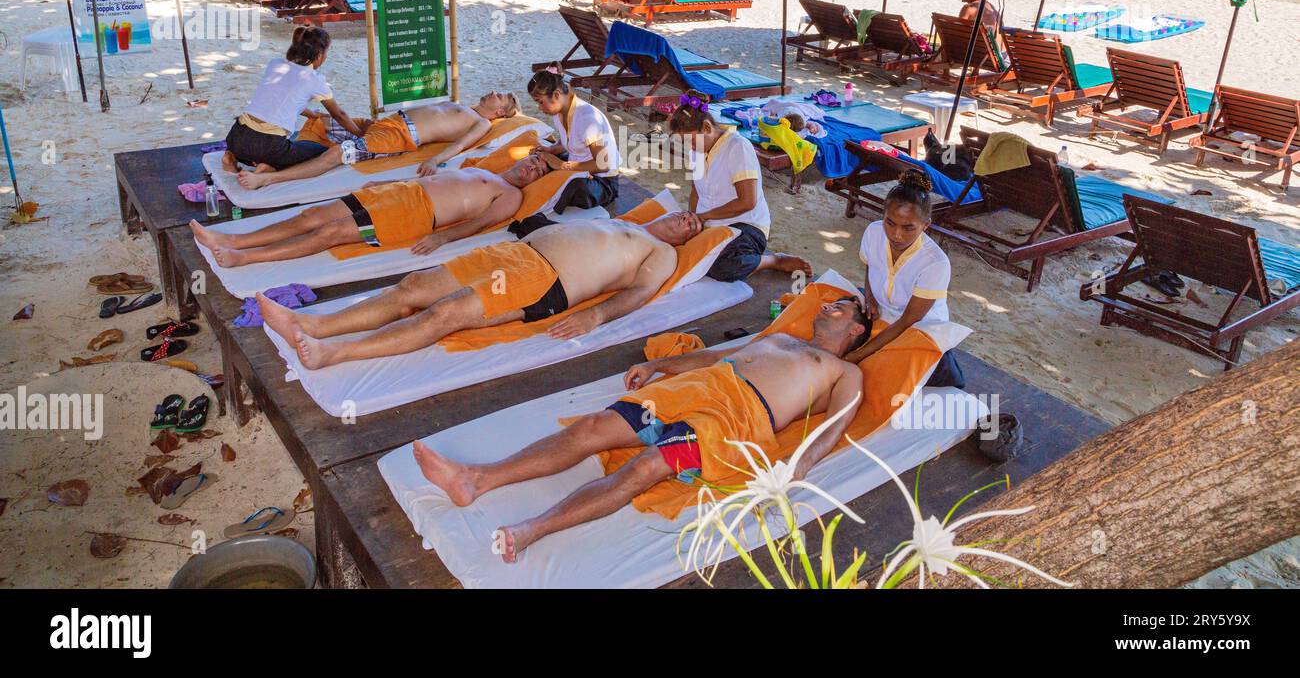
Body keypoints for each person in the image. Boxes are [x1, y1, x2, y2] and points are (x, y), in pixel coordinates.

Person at [412, 296, 870, 562]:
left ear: (856, 330)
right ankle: (477, 478)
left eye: (840, 308)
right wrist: (658, 364)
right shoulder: (780, 337)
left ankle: (533, 529)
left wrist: (799, 465)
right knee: (591, 428)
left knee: (648, 466)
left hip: (733, 418)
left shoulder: (841, 370)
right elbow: (714, 358)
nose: (826, 306)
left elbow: (835, 423)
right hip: (696, 387)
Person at [257, 212, 705, 369]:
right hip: (511, 255)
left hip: (543, 279)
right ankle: (313, 323)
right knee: (412, 287)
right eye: (688, 215)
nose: (687, 221)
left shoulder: (660, 251)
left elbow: (640, 293)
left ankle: (336, 353)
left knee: (444, 314)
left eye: (694, 227)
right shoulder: (625, 221)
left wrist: (597, 315)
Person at [191, 156, 548, 266]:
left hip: (415, 215)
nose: (531, 170)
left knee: (329, 234)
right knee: (310, 217)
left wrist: (441, 237)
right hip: (400, 192)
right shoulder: (484, 169)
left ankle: (245, 258)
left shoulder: (510, 195)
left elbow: (480, 223)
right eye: (533, 162)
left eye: (538, 172)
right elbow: (436, 180)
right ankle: (233, 237)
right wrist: (385, 185)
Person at [233, 92, 520, 190]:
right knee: (318, 121)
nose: (494, 91)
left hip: (397, 136)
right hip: (384, 124)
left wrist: (434, 159)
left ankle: (268, 180)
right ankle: (271, 164)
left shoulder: (481, 122)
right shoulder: (466, 106)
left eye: (501, 95)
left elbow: (460, 145)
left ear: (499, 112)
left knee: (335, 155)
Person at [667, 90, 810, 282]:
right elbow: (696, 191)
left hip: (745, 225)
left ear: (707, 128)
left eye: (692, 141)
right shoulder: (697, 150)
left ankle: (773, 261)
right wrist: (692, 220)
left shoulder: (737, 146)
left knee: (722, 266)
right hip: (710, 224)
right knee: (672, 244)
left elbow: (747, 202)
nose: (690, 147)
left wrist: (704, 216)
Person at [221, 26, 367, 174]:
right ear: (320, 54)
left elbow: (283, 98)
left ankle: (233, 158)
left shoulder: (275, 64)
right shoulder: (314, 80)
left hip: (236, 138)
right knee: (323, 153)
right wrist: (361, 135)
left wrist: (312, 115)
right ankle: (269, 167)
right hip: (268, 145)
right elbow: (339, 115)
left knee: (261, 151)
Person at [857, 170, 952, 360]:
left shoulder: (936, 263)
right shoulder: (873, 232)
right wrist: (869, 296)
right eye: (890, 223)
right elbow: (871, 265)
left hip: (919, 329)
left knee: (888, 365)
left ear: (926, 225)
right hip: (883, 313)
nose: (896, 235)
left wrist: (857, 356)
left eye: (908, 228)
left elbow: (907, 321)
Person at [527, 66, 621, 212]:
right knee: (539, 157)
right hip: (578, 165)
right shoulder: (559, 112)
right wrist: (551, 150)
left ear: (556, 95)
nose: (540, 108)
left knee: (575, 188)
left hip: (601, 180)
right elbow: (571, 141)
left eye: (540, 102)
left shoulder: (588, 118)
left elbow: (603, 164)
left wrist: (564, 166)